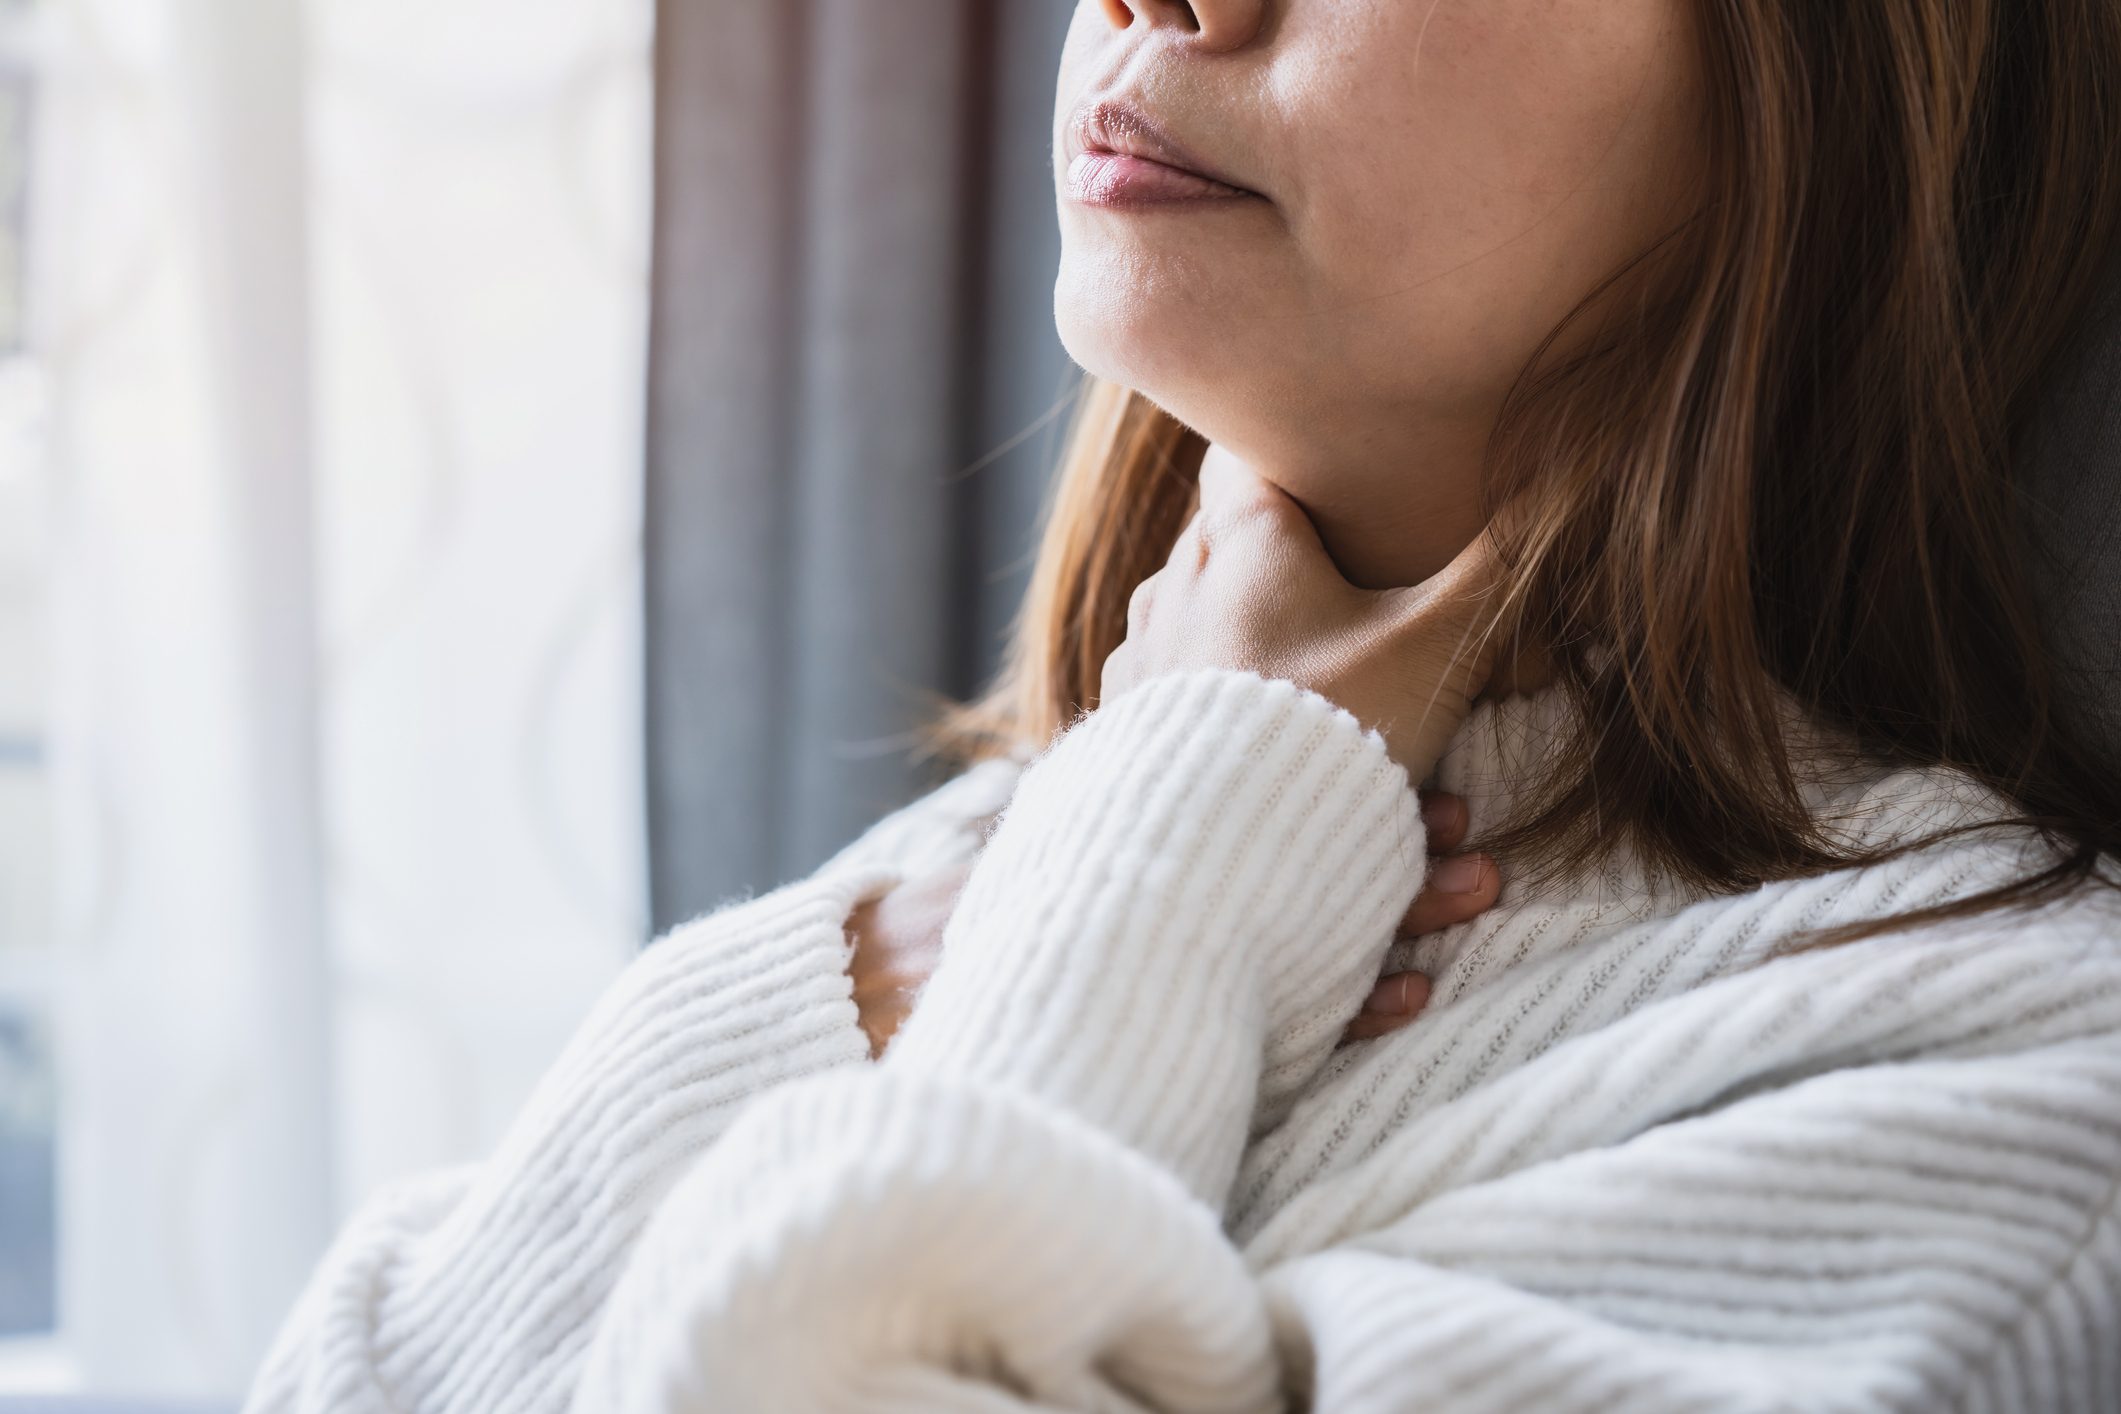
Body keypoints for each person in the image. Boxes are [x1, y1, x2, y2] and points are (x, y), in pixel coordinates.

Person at [247, 0, 2121, 1409]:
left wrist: (1150, 873)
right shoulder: (1034, 854)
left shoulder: (2003, 1086)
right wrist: (882, 970)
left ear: (1830, 76)